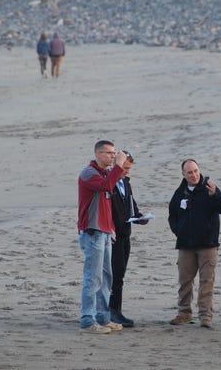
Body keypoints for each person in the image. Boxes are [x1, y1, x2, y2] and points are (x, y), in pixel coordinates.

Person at [168, 159, 221, 329]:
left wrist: (215, 195)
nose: (194, 175)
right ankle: (184, 313)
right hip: (185, 245)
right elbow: (172, 215)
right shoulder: (180, 193)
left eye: (195, 171)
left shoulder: (209, 187)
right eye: (189, 172)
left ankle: (205, 316)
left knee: (206, 281)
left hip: (207, 244)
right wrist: (179, 231)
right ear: (183, 175)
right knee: (185, 281)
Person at [77, 140, 129, 334]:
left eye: (114, 153)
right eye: (109, 153)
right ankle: (87, 321)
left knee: (106, 278)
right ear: (98, 154)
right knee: (93, 278)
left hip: (105, 232)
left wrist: (111, 229)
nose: (113, 156)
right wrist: (118, 165)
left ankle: (103, 318)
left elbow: (106, 205)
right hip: (92, 233)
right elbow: (107, 186)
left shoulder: (106, 173)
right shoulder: (89, 173)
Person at [109, 150, 149, 328]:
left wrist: (139, 217)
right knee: (113, 275)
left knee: (120, 274)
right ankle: (112, 312)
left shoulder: (125, 182)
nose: (126, 172)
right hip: (112, 236)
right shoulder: (108, 183)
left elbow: (131, 205)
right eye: (124, 168)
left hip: (126, 234)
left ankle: (116, 310)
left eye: (129, 168)